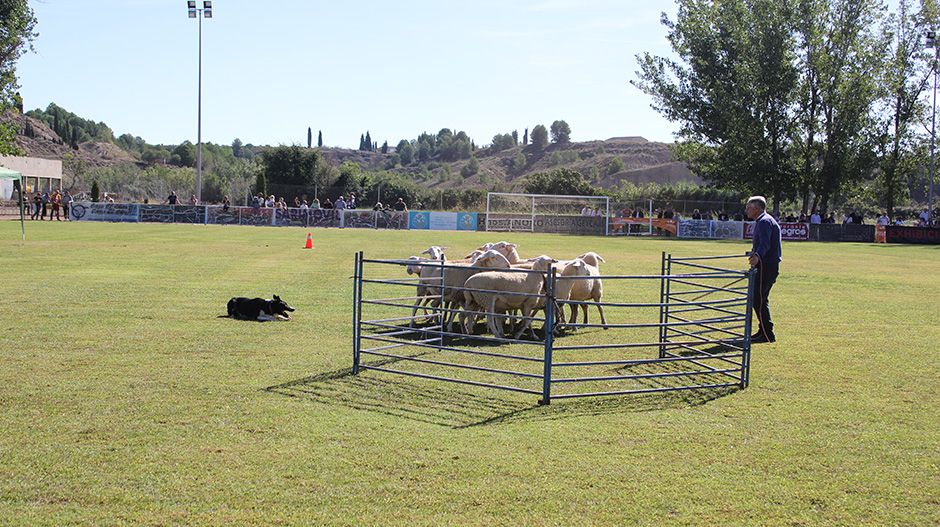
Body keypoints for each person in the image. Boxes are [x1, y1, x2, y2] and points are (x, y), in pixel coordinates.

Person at [746, 196, 782, 344]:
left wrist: (758, 256)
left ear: (757, 208)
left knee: (758, 299)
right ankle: (764, 331)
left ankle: (767, 333)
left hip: (766, 266)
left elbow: (765, 243)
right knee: (759, 299)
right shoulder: (763, 221)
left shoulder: (764, 222)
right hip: (767, 265)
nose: (746, 210)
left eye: (748, 207)